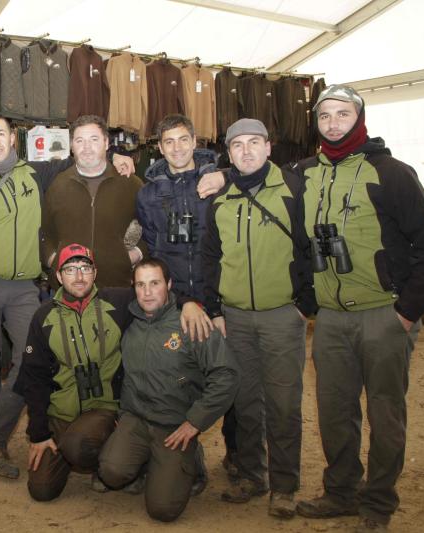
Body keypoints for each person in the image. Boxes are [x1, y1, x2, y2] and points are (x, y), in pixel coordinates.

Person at [0, 113, 134, 479]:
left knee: (27, 365)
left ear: (14, 138)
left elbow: (81, 159)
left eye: (2, 134)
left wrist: (119, 154)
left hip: (27, 287)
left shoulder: (37, 174)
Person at [293, 85, 424, 532]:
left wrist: (407, 312)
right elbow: (251, 175)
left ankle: (378, 504)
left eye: (343, 114)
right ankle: (341, 493)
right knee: (334, 412)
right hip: (331, 319)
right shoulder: (303, 172)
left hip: (383, 314)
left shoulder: (392, 173)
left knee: (385, 414)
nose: (333, 123)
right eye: (325, 116)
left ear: (359, 117)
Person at [201, 118, 316, 518]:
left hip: (282, 316)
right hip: (235, 319)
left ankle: (284, 486)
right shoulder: (219, 198)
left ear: (269, 147)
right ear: (228, 154)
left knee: (283, 404)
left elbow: (311, 245)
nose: (246, 150)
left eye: (254, 143)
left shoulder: (294, 189)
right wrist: (214, 309)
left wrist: (305, 304)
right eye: (237, 145)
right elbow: (209, 257)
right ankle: (252, 474)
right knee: (246, 401)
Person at [136, 113, 236, 491]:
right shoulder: (147, 194)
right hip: (176, 303)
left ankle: (240, 462)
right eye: (168, 142)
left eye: (183, 140)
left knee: (228, 384)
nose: (176, 148)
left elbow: (257, 171)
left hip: (221, 298)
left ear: (195, 141)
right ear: (158, 147)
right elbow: (150, 247)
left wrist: (226, 175)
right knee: (180, 384)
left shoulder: (216, 181)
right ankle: (189, 464)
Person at [98, 258, 237, 522]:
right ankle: (147, 463)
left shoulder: (191, 323)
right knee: (111, 472)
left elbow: (226, 375)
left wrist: (195, 422)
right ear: (133, 288)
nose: (147, 292)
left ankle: (192, 460)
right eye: (140, 285)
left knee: (163, 509)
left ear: (169, 285)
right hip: (137, 418)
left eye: (154, 283)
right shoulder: (128, 319)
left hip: (174, 426)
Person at [13, 243, 133, 501]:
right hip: (62, 414)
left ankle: (105, 457)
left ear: (95, 272)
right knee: (42, 490)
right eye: (70, 269)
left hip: (103, 409)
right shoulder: (43, 316)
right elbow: (34, 379)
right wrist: (39, 433)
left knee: (78, 446)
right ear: (58, 276)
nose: (79, 276)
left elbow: (156, 296)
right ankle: (69, 453)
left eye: (85, 268)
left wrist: (189, 303)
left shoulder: (118, 303)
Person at [41, 115, 146, 288]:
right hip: (68, 290)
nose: (87, 148)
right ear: (72, 146)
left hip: (117, 286)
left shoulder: (131, 184)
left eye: (94, 139)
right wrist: (53, 259)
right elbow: (43, 233)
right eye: (80, 140)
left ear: (106, 143)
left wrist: (135, 254)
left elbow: (154, 229)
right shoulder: (57, 185)